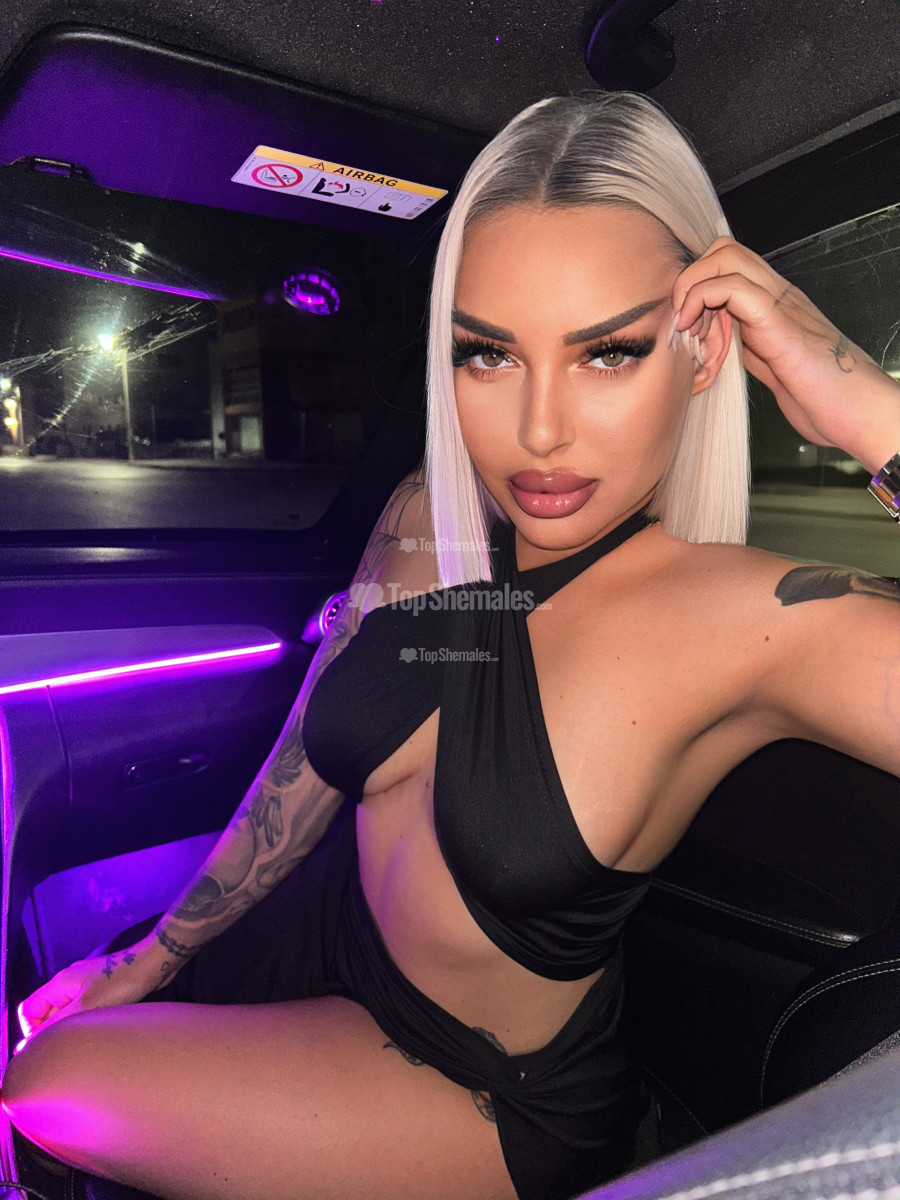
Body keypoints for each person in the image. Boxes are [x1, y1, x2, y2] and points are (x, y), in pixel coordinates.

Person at [3, 91, 900, 1200]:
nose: (538, 432)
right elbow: (303, 768)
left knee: (48, 1084)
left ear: (704, 347)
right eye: (488, 354)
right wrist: (156, 954)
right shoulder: (429, 511)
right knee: (49, 1008)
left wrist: (870, 413)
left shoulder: (753, 619)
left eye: (608, 354)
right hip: (330, 931)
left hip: (479, 1081)